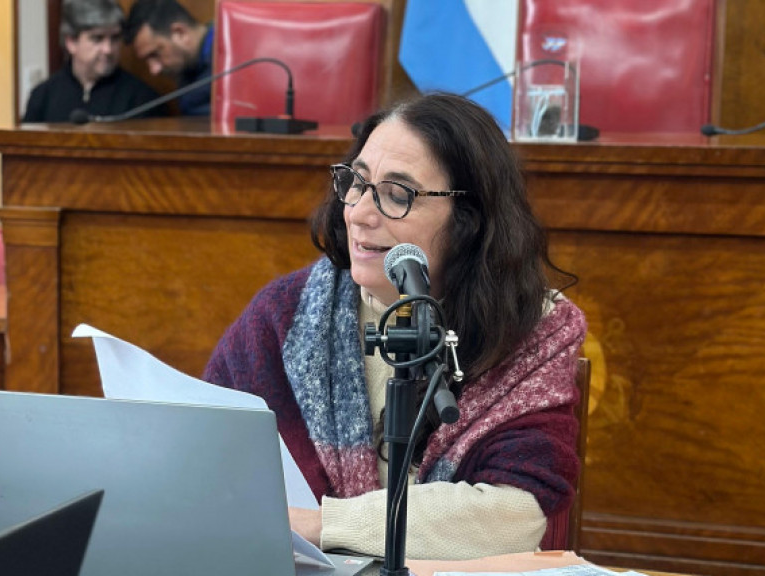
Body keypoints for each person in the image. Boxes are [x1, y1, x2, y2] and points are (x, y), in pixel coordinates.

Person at [204, 93, 587, 560]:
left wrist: (323, 526)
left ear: (469, 220)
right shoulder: (285, 316)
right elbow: (207, 464)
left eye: (397, 194)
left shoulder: (533, 333)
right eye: (356, 183)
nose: (360, 214)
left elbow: (513, 517)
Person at [22, 0, 163, 123]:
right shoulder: (43, 96)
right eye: (97, 38)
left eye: (115, 38)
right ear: (71, 42)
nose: (108, 49)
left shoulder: (142, 98)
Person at [124, 0, 213, 116]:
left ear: (180, 33)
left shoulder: (231, 56)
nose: (154, 70)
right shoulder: (187, 67)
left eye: (155, 54)